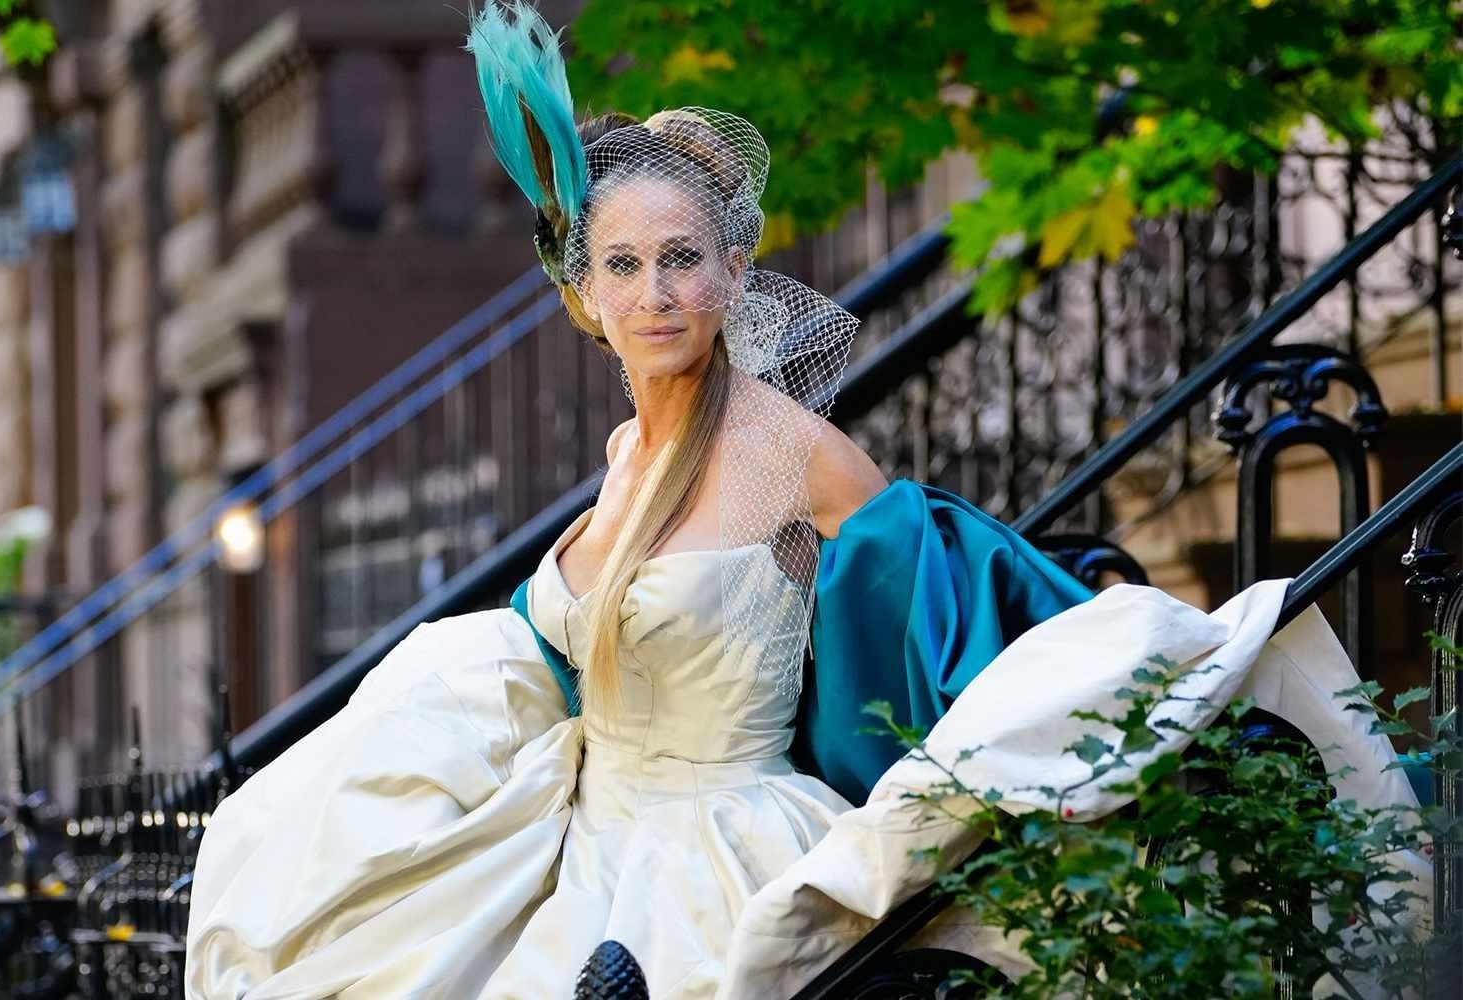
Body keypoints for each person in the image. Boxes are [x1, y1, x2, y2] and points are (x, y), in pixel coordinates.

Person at [182, 4, 1427, 997]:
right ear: (584, 295)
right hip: (578, 840)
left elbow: (937, 607)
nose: (657, 292)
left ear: (734, 273)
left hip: (713, 857)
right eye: (625, 264)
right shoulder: (623, 454)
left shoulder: (791, 452)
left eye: (683, 259)